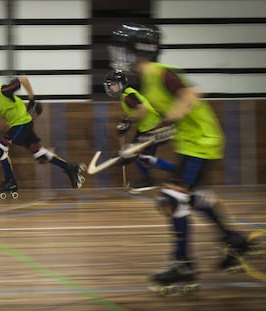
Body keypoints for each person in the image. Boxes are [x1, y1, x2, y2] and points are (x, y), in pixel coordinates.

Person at [107, 23, 251, 287]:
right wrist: (137, 145)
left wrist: (169, 122)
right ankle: (233, 238)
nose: (120, 57)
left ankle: (183, 265)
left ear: (136, 51)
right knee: (193, 197)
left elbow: (189, 96)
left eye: (123, 51)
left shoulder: (160, 73)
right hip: (190, 143)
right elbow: (168, 113)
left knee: (171, 198)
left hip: (201, 141)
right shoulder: (147, 84)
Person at [0, 68, 84, 198]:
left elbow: (23, 79)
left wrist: (32, 98)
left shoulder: (3, 91)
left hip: (23, 121)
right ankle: (70, 167)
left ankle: (10, 182)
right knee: (39, 153)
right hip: (16, 124)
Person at [104, 69, 175, 192]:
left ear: (120, 84)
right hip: (146, 128)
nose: (110, 88)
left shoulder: (128, 96)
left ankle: (168, 173)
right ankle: (154, 177)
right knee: (140, 156)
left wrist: (128, 120)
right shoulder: (127, 95)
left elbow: (142, 110)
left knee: (140, 155)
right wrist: (126, 122)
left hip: (152, 128)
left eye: (112, 85)